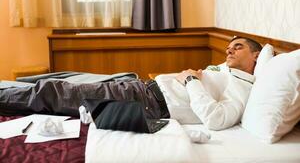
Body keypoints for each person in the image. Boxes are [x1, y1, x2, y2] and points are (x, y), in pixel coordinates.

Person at [0, 36, 261, 130]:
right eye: (228, 47)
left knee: (57, 92)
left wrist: (190, 79)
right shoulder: (226, 72)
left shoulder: (242, 87)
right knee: (59, 88)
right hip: (144, 90)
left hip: (148, 102)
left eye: (237, 47)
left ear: (256, 56)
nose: (229, 51)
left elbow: (215, 119)